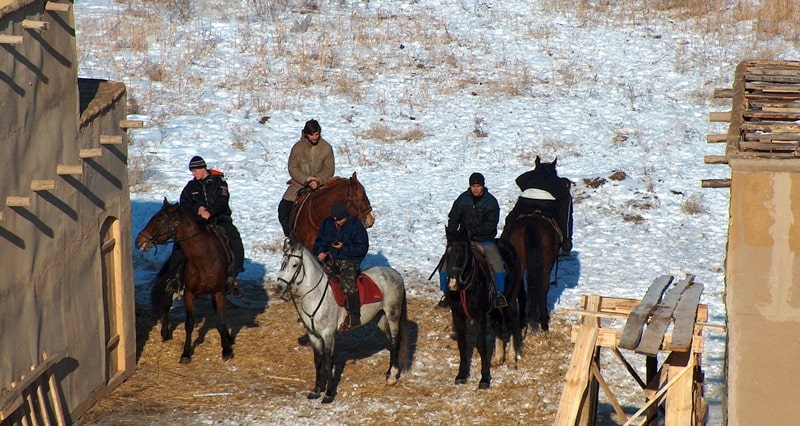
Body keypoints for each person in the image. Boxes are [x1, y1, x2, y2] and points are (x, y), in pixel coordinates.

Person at [165, 156, 245, 296]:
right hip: (199, 223)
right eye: (192, 171)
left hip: (219, 219)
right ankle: (174, 277)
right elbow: (184, 203)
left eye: (195, 170)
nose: (193, 174)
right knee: (180, 243)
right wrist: (198, 209)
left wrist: (211, 212)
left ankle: (233, 276)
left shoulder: (219, 183)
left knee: (233, 238)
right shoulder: (190, 187)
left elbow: (222, 201)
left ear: (202, 168)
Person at [440, 172, 507, 308]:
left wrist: (472, 232)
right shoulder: (462, 199)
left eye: (478, 186)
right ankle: (445, 293)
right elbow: (453, 218)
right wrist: (453, 234)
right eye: (473, 186)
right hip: (463, 240)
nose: (476, 189)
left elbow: (490, 224)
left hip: (484, 240)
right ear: (470, 186)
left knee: (497, 263)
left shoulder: (491, 202)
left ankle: (498, 293)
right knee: (445, 264)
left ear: (483, 186)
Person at [313, 203, 369, 332]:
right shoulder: (328, 223)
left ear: (346, 217)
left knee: (348, 285)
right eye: (335, 220)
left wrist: (344, 247)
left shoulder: (356, 226)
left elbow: (362, 248)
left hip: (350, 259)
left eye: (340, 220)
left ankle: (354, 316)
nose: (337, 223)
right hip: (330, 256)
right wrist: (320, 251)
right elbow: (320, 240)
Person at [502, 158, 573, 256]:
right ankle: (566, 242)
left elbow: (519, 180)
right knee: (564, 215)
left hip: (526, 202)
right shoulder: (557, 181)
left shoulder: (531, 175)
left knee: (510, 219)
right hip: (547, 204)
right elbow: (565, 212)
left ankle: (503, 243)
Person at [278, 119, 335, 237]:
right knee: (283, 210)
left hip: (321, 185)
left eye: (317, 134)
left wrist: (318, 179)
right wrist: (306, 179)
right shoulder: (297, 148)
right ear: (306, 134)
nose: (314, 137)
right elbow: (292, 168)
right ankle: (291, 238)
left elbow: (329, 170)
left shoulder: (326, 148)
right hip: (299, 185)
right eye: (311, 135)